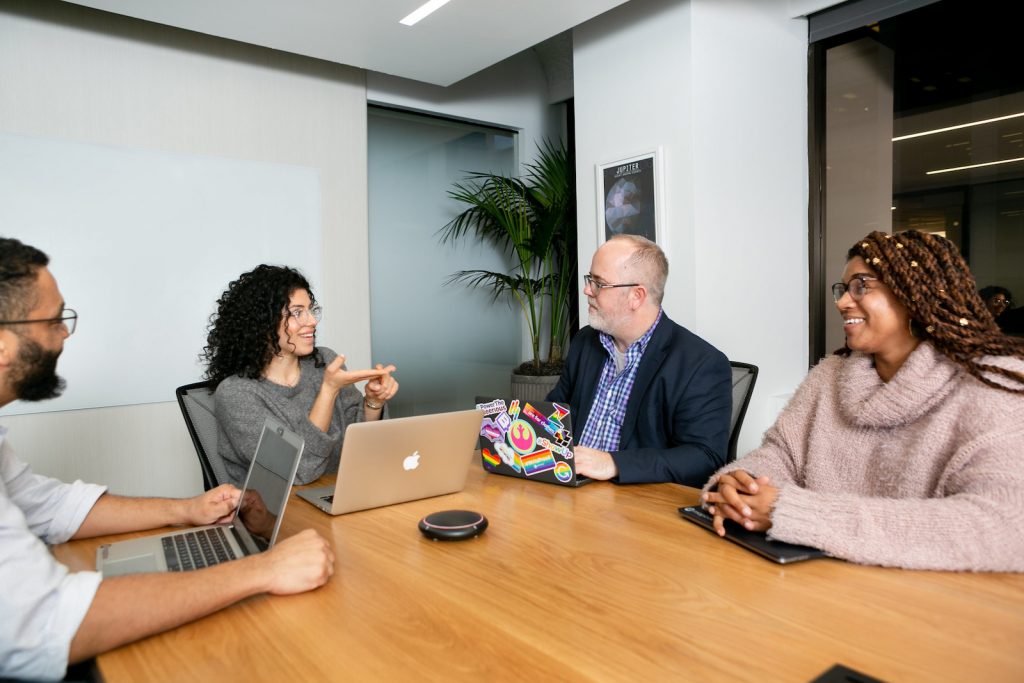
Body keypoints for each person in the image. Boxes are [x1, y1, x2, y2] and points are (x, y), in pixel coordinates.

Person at [0, 237, 335, 680]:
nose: (65, 332)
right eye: (54, 319)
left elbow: (49, 507)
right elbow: (46, 625)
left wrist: (184, 510)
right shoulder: (241, 391)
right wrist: (260, 571)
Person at [702, 230, 1024, 571]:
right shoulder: (830, 376)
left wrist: (791, 512)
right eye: (843, 289)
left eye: (862, 286)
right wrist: (739, 487)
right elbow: (780, 455)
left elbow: (1004, 525)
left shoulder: (993, 385)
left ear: (913, 294)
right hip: (818, 584)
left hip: (930, 605)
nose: (842, 302)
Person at [546, 234, 731, 486]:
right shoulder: (585, 342)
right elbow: (556, 411)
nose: (587, 290)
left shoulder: (701, 364)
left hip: (634, 502)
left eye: (599, 283)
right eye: (590, 280)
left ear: (637, 296)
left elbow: (704, 457)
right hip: (569, 489)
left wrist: (614, 463)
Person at [204, 265, 399, 486]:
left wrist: (373, 403)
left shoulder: (324, 362)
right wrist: (328, 391)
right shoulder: (236, 394)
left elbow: (363, 447)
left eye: (311, 309)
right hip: (282, 512)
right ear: (263, 323)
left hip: (341, 492)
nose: (312, 321)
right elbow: (297, 473)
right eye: (297, 312)